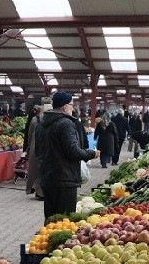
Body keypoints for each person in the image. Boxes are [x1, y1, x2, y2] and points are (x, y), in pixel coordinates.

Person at [36, 92, 99, 220]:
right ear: (65, 107)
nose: (73, 108)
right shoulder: (66, 124)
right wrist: (91, 153)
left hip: (47, 178)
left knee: (51, 219)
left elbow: (38, 151)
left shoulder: (41, 124)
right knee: (65, 220)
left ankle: (47, 239)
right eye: (71, 105)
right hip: (65, 179)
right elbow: (73, 151)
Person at [24, 104, 49, 199]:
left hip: (35, 147)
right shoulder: (53, 120)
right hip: (46, 147)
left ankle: (38, 191)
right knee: (43, 170)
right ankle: (41, 192)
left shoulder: (35, 119)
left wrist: (29, 147)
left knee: (36, 170)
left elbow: (29, 135)